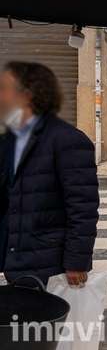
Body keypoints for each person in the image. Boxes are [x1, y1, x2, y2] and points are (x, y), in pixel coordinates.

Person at [0, 61, 99, 286]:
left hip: (51, 265)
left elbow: (83, 208)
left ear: (26, 95)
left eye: (4, 88)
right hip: (15, 259)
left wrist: (76, 262)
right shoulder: (9, 140)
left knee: (48, 321)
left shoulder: (68, 140)